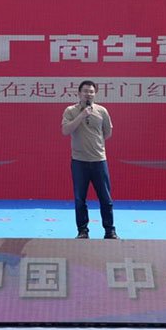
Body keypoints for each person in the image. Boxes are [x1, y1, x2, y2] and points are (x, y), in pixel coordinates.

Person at [61, 80, 118, 239]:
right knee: (80, 199)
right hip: (79, 161)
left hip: (99, 160)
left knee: (105, 199)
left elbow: (107, 133)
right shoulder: (71, 111)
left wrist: (95, 143)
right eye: (85, 91)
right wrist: (82, 115)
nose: (88, 94)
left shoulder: (102, 111)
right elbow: (65, 130)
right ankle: (82, 231)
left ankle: (109, 231)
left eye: (91, 92)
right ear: (79, 93)